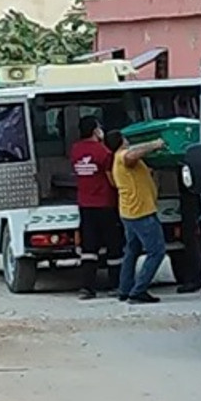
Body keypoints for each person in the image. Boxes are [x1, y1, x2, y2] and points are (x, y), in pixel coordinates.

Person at [107, 129, 167, 305]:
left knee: (131, 251)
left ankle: (124, 289)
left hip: (129, 212)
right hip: (141, 212)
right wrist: (155, 144)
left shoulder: (117, 159)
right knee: (156, 251)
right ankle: (138, 291)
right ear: (122, 141)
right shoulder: (123, 156)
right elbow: (132, 154)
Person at [70, 116, 123, 299]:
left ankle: (87, 288)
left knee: (88, 249)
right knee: (113, 247)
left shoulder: (75, 150)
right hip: (106, 205)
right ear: (95, 130)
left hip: (85, 206)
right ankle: (115, 285)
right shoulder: (104, 152)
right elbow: (112, 179)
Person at [176, 178, 201, 295]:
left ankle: (195, 278)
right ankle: (196, 278)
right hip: (193, 193)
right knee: (196, 239)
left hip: (194, 194)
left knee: (194, 239)